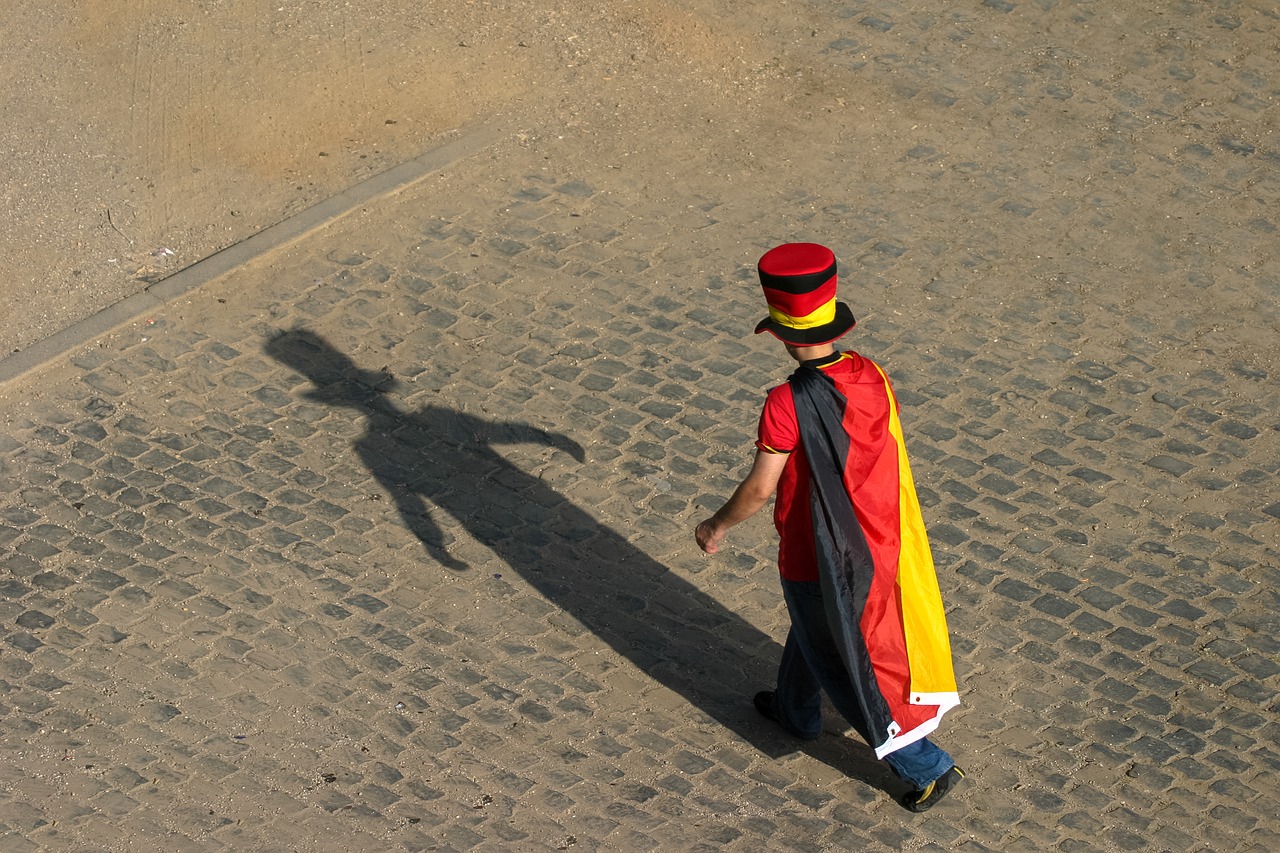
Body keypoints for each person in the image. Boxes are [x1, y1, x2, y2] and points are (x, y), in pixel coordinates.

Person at [695, 242, 964, 812]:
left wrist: (716, 525)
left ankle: (926, 766)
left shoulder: (786, 402)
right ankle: (795, 711)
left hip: (818, 552)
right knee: (815, 630)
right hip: (874, 539)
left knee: (845, 660)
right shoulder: (869, 374)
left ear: (781, 334)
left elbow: (760, 488)